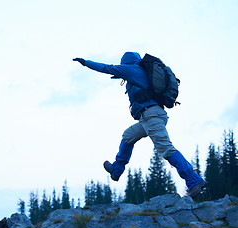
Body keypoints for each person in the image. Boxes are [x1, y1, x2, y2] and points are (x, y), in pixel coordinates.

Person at [73, 52, 206, 198]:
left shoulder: (131, 70)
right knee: (128, 136)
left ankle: (193, 181)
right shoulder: (141, 71)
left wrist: (86, 62)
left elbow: (107, 68)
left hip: (151, 116)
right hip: (150, 116)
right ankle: (116, 170)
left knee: (166, 149)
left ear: (126, 62)